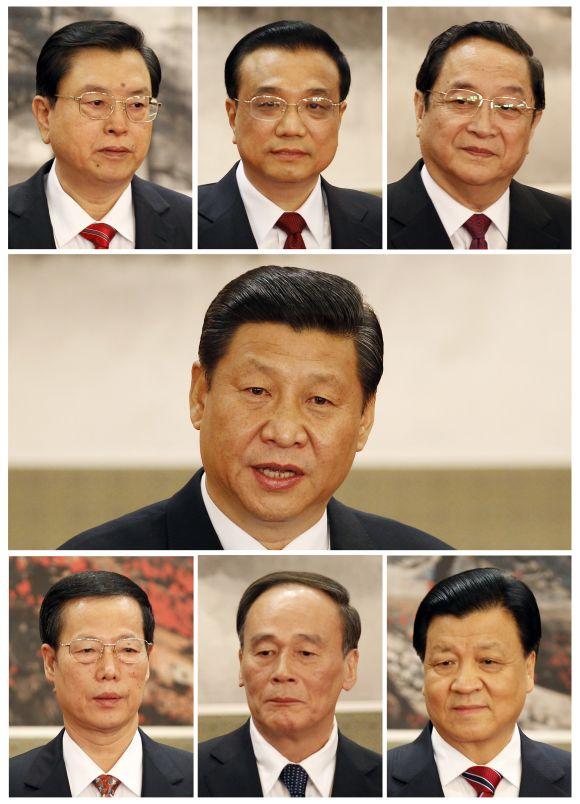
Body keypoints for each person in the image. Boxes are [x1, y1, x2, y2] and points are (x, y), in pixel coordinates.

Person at [61, 265, 449, 550]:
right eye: (257, 390)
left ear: (364, 419)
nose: (283, 432)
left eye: (319, 400)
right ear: (200, 394)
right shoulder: (93, 557)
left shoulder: (425, 557)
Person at [387, 567, 571, 797]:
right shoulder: (375, 786)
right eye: (445, 663)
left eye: (488, 661)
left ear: (528, 669)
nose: (464, 685)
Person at [198, 20, 382, 249]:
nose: (292, 128)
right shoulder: (187, 221)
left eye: (315, 106)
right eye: (268, 104)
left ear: (339, 116)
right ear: (233, 116)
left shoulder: (381, 222)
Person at [387, 21, 571, 249]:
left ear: (533, 125)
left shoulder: (570, 226)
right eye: (462, 101)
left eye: (507, 107)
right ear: (421, 110)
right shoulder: (372, 224)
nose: (483, 128)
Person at [9, 20, 192, 249]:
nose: (118, 125)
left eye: (136, 105)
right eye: (96, 102)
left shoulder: (192, 224)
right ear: (45, 115)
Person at [9, 570, 193, 797]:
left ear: (148, 659)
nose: (109, 671)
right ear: (50, 663)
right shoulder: (9, 784)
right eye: (87, 649)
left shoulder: (198, 782)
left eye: (128, 649)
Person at [199, 570, 382, 796]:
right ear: (241, 664)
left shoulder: (386, 784)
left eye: (306, 653)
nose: (282, 672)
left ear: (349, 667)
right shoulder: (192, 776)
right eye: (265, 652)